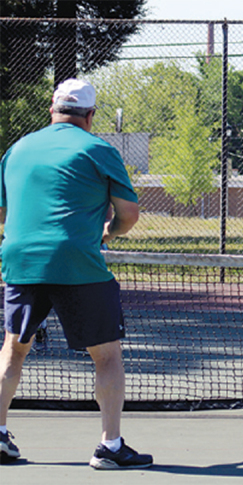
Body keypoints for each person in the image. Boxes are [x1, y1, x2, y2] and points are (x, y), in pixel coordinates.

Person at [0, 79, 152, 469]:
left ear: (51, 109)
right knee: (106, 356)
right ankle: (110, 447)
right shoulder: (99, 149)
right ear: (90, 115)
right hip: (78, 262)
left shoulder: (16, 150)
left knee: (13, 349)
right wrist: (109, 232)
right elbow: (129, 214)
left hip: (20, 261)